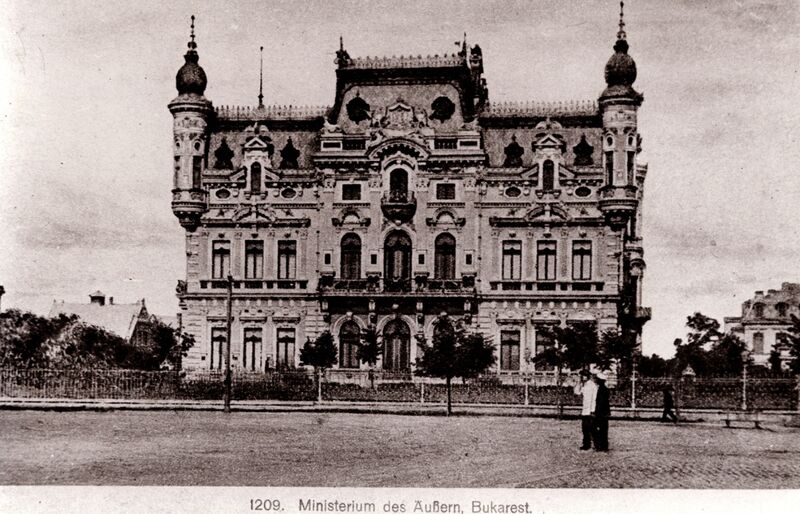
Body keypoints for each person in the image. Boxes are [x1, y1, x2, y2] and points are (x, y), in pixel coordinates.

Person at [578, 369, 597, 451]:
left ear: (586, 376)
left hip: (590, 411)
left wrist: (592, 410)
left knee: (592, 429)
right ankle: (586, 444)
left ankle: (596, 444)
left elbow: (594, 399)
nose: (581, 377)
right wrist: (578, 383)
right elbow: (577, 392)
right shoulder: (584, 385)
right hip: (584, 411)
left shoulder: (593, 386)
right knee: (585, 429)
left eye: (582, 376)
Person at [592, 371, 610, 452]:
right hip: (605, 412)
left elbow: (600, 402)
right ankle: (604, 446)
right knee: (604, 429)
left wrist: (596, 412)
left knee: (597, 429)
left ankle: (599, 446)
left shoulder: (600, 390)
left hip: (600, 412)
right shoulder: (605, 389)